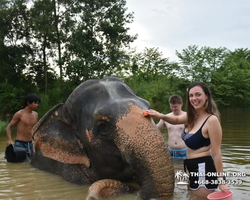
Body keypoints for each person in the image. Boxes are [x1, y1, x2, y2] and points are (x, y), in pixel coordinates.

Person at [145, 81, 229, 199]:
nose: (194, 98)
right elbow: (175, 120)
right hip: (190, 167)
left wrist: (221, 180)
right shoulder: (192, 116)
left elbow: (216, 153)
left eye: (198, 94)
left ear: (206, 96)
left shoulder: (212, 120)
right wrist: (158, 115)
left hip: (203, 168)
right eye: (191, 95)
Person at [6, 93, 41, 161]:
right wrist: (9, 140)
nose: (37, 105)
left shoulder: (35, 115)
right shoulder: (19, 114)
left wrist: (37, 139)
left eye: (37, 103)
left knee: (31, 163)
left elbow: (34, 129)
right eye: (35, 103)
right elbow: (8, 127)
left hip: (30, 144)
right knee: (20, 163)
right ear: (28, 103)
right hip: (20, 144)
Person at [156, 94, 187, 159]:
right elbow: (156, 129)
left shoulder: (187, 116)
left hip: (184, 151)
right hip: (170, 151)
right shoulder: (165, 117)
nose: (173, 109)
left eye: (175, 107)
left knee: (184, 169)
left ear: (181, 104)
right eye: (171, 107)